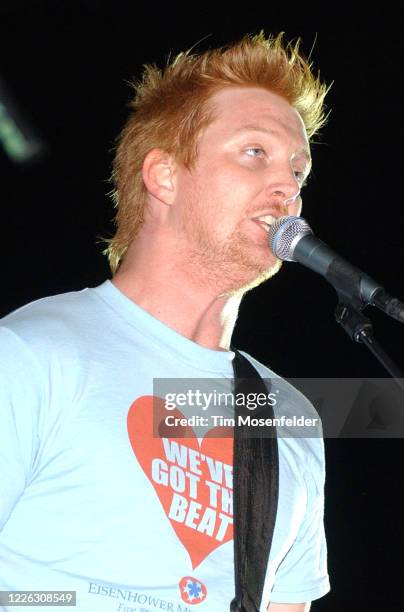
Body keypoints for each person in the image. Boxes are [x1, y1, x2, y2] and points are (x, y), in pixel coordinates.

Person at [0, 32, 331, 611]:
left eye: (298, 171)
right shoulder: (32, 353)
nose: (288, 189)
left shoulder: (288, 416)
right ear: (164, 176)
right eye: (255, 152)